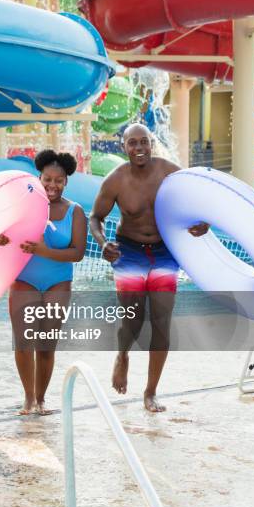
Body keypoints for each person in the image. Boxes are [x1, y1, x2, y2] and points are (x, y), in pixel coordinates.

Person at [90, 124, 209, 412]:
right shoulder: (115, 181)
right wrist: (103, 243)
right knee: (132, 318)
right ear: (124, 147)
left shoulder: (170, 171)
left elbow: (199, 198)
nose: (139, 147)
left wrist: (203, 222)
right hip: (128, 251)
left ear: (152, 144)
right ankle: (123, 356)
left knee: (161, 320)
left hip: (164, 251)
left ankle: (151, 391)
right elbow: (95, 218)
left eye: (144, 141)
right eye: (133, 143)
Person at [9, 150, 87, 415]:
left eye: (59, 180)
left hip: (58, 282)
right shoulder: (23, 203)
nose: (52, 185)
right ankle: (28, 397)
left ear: (66, 181)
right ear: (38, 177)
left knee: (45, 344)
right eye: (47, 179)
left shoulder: (74, 212)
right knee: (23, 343)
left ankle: (41, 398)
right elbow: (6, 234)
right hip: (24, 280)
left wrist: (44, 251)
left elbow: (77, 253)